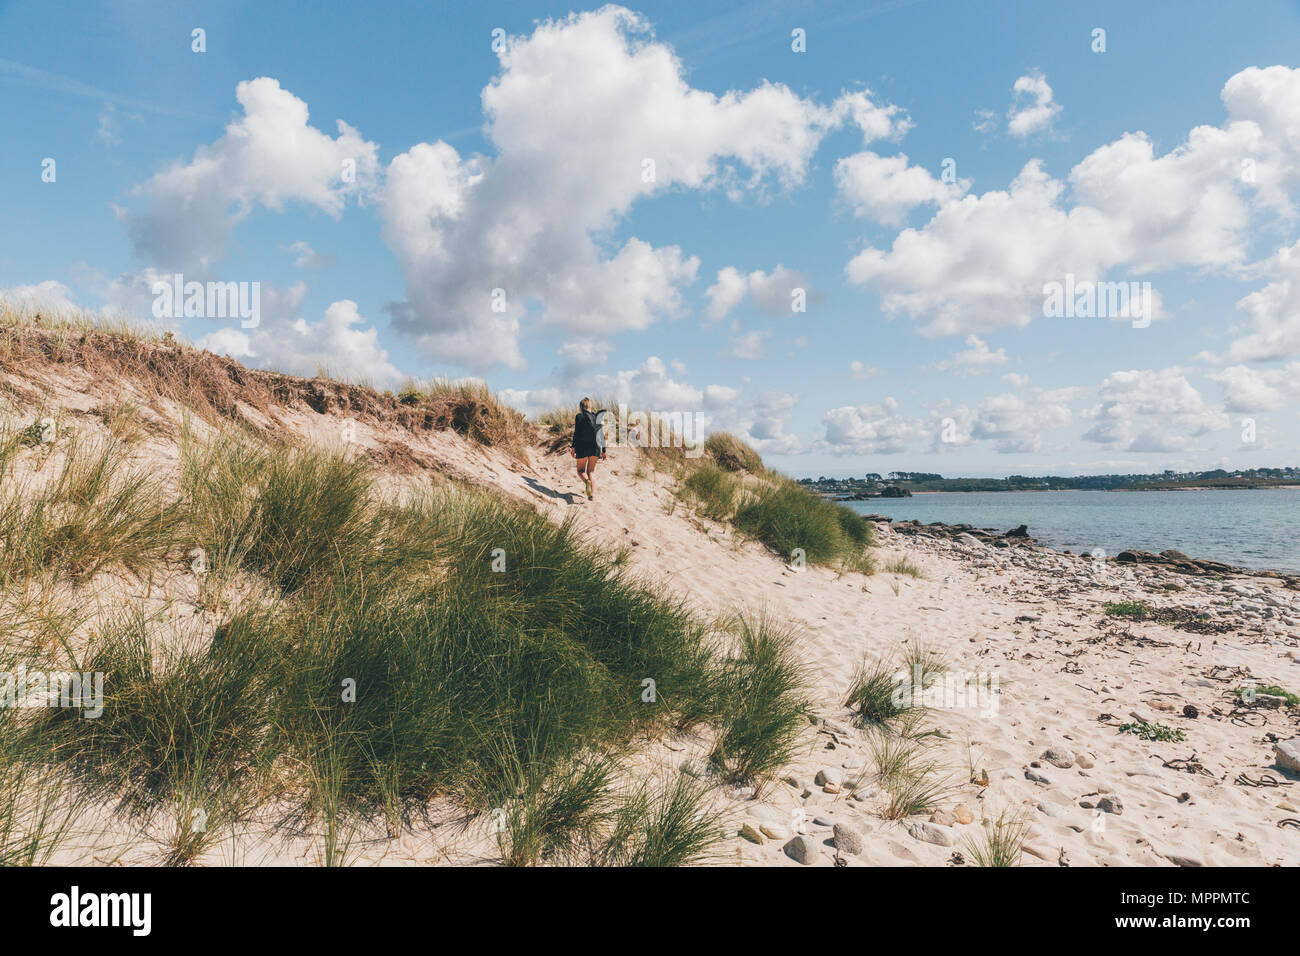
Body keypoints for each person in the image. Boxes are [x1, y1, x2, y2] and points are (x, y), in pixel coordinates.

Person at [570, 397, 607, 500]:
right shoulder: (597, 418)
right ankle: (591, 495)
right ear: (590, 406)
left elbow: (576, 434)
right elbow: (601, 436)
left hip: (582, 446)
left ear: (581, 407)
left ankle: (587, 482)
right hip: (595, 447)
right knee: (591, 471)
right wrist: (603, 451)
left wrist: (573, 447)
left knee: (580, 470)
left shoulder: (579, 417)